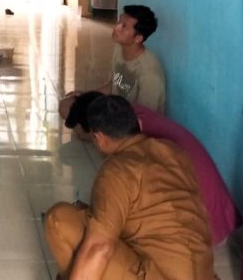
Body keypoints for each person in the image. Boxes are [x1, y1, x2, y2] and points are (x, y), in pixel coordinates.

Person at [45, 95, 213, 279]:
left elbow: (99, 247)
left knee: (59, 219)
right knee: (90, 215)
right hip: (203, 272)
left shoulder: (117, 169)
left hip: (160, 274)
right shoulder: (174, 151)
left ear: (99, 138)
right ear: (138, 124)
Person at [65, 91, 241, 246]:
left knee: (105, 231)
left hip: (202, 229)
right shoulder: (132, 119)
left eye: (90, 138)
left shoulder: (138, 146)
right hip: (219, 218)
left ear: (98, 135)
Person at [59, 4, 165, 120]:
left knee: (77, 115)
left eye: (124, 26)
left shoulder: (149, 72)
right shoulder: (120, 49)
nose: (116, 27)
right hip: (115, 109)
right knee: (67, 105)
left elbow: (145, 117)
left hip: (132, 122)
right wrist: (86, 95)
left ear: (138, 38)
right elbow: (114, 84)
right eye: (119, 21)